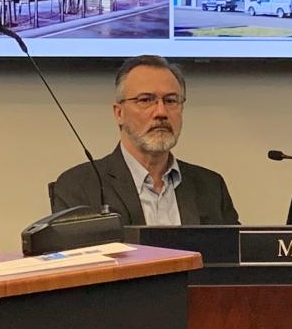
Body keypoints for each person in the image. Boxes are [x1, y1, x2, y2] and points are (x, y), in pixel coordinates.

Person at [50, 55, 238, 225]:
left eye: (171, 101)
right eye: (146, 100)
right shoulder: (79, 186)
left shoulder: (211, 186)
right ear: (119, 113)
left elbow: (235, 257)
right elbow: (80, 261)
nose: (161, 112)